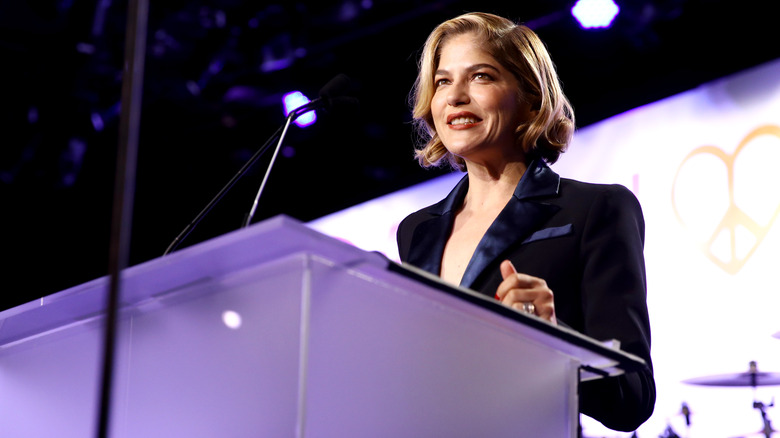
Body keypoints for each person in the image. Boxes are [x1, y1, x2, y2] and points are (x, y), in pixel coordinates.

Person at [396, 12, 655, 432]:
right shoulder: (417, 231)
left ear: (530, 96)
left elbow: (633, 396)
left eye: (480, 76)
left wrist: (552, 339)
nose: (455, 96)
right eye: (443, 81)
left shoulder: (595, 209)